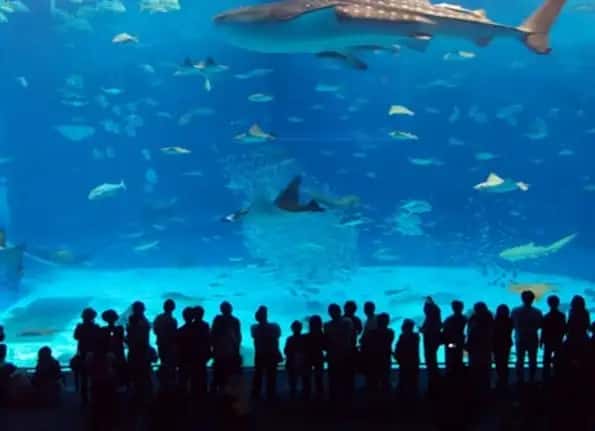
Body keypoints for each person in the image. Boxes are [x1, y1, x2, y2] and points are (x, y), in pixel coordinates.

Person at [177, 306, 211, 399]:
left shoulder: (181, 330)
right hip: (199, 358)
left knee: (184, 383)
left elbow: (179, 347)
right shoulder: (203, 326)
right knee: (199, 382)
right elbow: (207, 341)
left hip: (186, 359)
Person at [324, 303, 355, 401]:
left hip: (334, 356)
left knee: (334, 380)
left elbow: (326, 341)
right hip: (346, 355)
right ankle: (348, 400)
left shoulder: (327, 325)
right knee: (346, 380)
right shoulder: (348, 321)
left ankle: (335, 401)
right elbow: (353, 337)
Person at [126, 301, 154, 406]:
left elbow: (131, 338)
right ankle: (146, 395)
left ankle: (137, 395)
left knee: (136, 374)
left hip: (134, 351)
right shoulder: (144, 322)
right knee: (145, 374)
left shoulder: (132, 321)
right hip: (142, 351)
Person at [511, 290, 543, 384]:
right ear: (533, 299)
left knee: (519, 359)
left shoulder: (515, 311)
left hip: (520, 338)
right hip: (533, 338)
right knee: (533, 359)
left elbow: (512, 324)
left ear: (522, 299)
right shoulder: (537, 312)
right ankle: (532, 379)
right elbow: (540, 325)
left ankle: (519, 380)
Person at [250, 306, 281, 400]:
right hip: (270, 353)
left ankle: (256, 394)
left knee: (258, 375)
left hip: (260, 354)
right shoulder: (274, 326)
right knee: (271, 375)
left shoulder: (254, 327)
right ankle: (270, 394)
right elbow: (278, 335)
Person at [211, 301, 242, 393]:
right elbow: (238, 337)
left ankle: (218, 393)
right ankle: (226, 394)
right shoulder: (235, 321)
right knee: (228, 375)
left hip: (220, 352)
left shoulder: (218, 320)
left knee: (218, 374)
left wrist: (213, 348)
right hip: (230, 352)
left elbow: (213, 335)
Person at [361, 312, 394, 393]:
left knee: (372, 383)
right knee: (385, 382)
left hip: (373, 361)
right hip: (385, 360)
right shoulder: (390, 332)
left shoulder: (371, 333)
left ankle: (372, 401)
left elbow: (363, 342)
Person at [73, 307, 101, 405]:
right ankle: (95, 396)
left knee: (84, 376)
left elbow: (76, 337)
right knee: (94, 375)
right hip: (94, 353)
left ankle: (84, 398)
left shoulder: (80, 327)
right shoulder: (96, 327)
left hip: (83, 353)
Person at [466, 302, 494, 397]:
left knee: (476, 370)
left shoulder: (473, 319)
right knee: (486, 370)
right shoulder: (490, 318)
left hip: (476, 349)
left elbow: (470, 333)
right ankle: (485, 391)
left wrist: (468, 345)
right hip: (486, 348)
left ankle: (476, 391)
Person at [540, 295, 566, 383]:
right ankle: (558, 378)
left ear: (548, 304)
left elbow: (544, 330)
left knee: (546, 361)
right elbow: (563, 330)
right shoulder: (562, 316)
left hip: (548, 341)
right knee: (558, 361)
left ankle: (546, 379)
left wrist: (541, 341)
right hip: (558, 341)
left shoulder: (546, 316)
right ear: (558, 303)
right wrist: (561, 339)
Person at [153, 299, 178, 383]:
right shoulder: (173, 320)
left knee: (163, 363)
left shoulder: (158, 318)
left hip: (161, 344)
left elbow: (155, 330)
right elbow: (174, 335)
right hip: (170, 346)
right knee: (170, 365)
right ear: (173, 308)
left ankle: (163, 382)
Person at [100, 309, 127, 387]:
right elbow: (123, 339)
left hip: (108, 352)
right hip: (119, 352)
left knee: (110, 370)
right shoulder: (120, 328)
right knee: (120, 369)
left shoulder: (103, 329)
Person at [394, 319, 420, 400]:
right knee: (413, 381)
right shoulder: (416, 336)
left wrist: (397, 356)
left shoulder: (402, 337)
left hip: (404, 362)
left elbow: (399, 349)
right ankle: (412, 397)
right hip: (413, 362)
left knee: (404, 379)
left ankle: (402, 396)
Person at [420, 297, 442, 388]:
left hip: (430, 341)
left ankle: (434, 383)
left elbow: (428, 327)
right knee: (432, 360)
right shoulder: (434, 316)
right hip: (433, 339)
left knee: (430, 360)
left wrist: (423, 330)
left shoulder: (431, 318)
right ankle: (435, 381)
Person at [441, 300, 467, 378]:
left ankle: (451, 378)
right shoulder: (464, 319)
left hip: (451, 344)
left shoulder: (449, 319)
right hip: (460, 343)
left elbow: (444, 330)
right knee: (458, 359)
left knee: (451, 361)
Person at [284, 320, 308, 399]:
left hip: (292, 361)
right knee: (304, 380)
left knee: (293, 381)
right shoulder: (305, 338)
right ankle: (305, 396)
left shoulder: (290, 339)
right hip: (303, 361)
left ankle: (293, 395)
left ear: (292, 329)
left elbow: (286, 351)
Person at [493, 304, 513, 390]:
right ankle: (504, 379)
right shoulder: (510, 321)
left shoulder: (495, 321)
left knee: (498, 362)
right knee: (504, 362)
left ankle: (501, 379)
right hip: (506, 344)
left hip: (497, 344)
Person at [305, 315, 325, 398]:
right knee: (319, 378)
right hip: (319, 357)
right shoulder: (322, 335)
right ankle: (320, 395)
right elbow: (325, 347)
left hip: (308, 357)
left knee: (307, 378)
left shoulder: (306, 336)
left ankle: (307, 394)